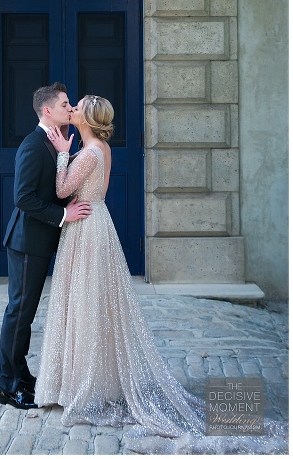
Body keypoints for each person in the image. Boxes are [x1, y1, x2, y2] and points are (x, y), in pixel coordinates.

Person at [38, 95, 288, 451]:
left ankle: (83, 384)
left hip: (86, 227)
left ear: (87, 119)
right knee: (92, 302)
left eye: (77, 107)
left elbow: (62, 190)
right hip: (97, 224)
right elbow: (101, 191)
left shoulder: (89, 152)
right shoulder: (101, 149)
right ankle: (90, 380)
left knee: (85, 301)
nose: (72, 110)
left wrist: (63, 152)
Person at [0, 82, 92, 410]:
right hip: (26, 244)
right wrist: (63, 214)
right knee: (19, 313)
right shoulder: (33, 145)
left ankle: (21, 375)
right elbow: (22, 197)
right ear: (47, 110)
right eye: (65, 104)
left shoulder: (54, 142)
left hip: (39, 243)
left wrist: (66, 154)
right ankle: (6, 386)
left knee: (26, 314)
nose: (70, 108)